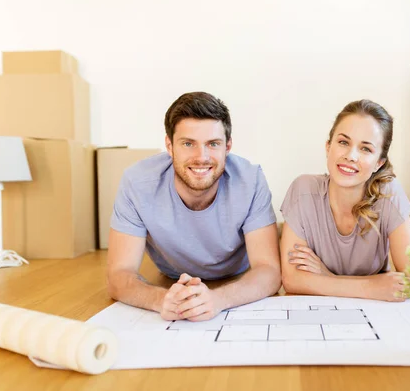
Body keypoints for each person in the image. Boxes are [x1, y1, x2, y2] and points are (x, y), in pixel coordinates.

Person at [107, 92, 281, 321]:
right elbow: (119, 274)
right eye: (188, 144)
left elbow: (269, 271)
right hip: (171, 276)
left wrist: (218, 300)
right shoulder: (137, 183)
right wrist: (161, 300)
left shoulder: (251, 180)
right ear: (169, 145)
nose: (201, 157)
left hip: (235, 277)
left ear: (227, 146)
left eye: (213, 144)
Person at [279, 99, 410, 302]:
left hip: (375, 316)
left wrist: (327, 278)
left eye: (366, 149)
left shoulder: (388, 194)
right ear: (328, 147)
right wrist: (371, 287)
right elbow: (292, 279)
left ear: (379, 163)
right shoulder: (303, 191)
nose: (351, 156)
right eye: (343, 142)